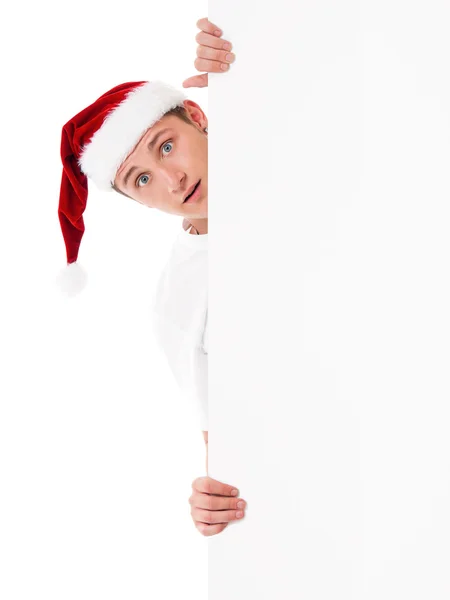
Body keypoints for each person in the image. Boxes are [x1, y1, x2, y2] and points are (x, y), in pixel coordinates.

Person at [57, 17, 245, 537]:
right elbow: (227, 444)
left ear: (197, 115)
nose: (172, 179)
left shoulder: (286, 147)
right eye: (141, 179)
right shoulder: (179, 299)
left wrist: (249, 58)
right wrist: (213, 498)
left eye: (166, 146)